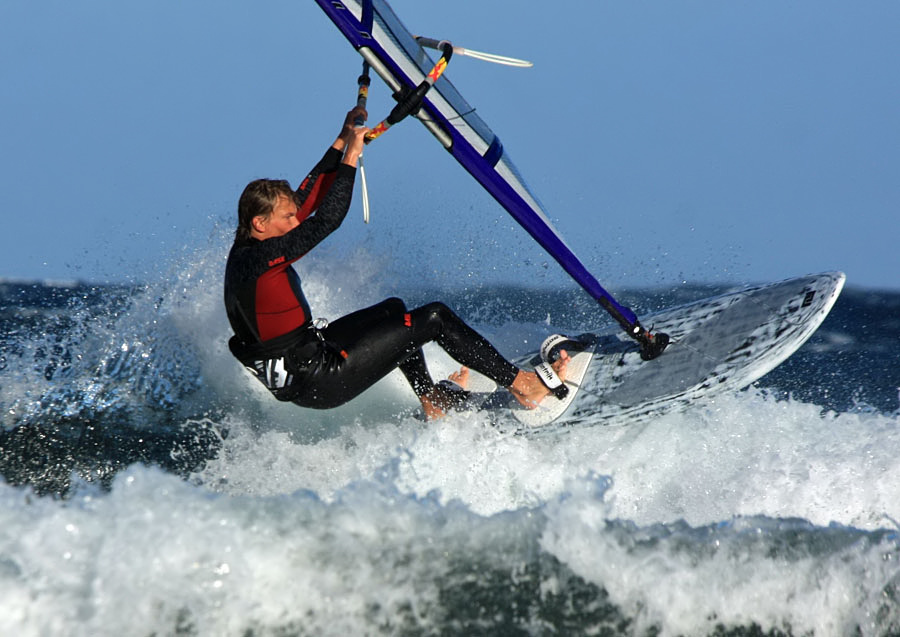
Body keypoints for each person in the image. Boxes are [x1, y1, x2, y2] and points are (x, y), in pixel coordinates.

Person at [224, 105, 568, 419]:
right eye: (287, 217)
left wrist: (342, 139)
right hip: (319, 377)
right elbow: (326, 220)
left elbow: (307, 200)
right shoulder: (262, 260)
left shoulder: (247, 249)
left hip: (306, 360)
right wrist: (351, 158)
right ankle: (522, 385)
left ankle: (431, 399)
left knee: (394, 311)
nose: (296, 222)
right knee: (434, 318)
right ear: (261, 223)